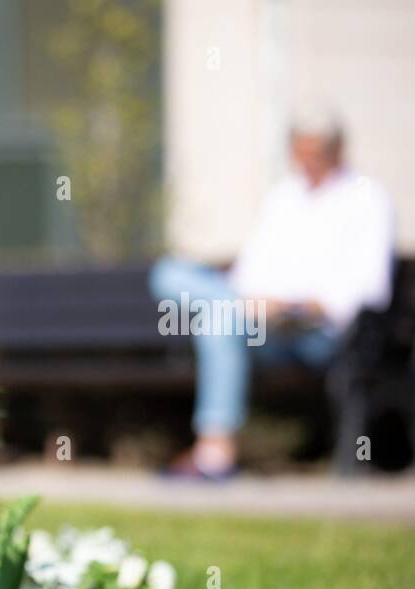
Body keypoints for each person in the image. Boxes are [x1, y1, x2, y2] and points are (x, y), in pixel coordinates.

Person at [151, 109, 395, 479]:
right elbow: (251, 272)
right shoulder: (285, 196)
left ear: (338, 149)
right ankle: (215, 454)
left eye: (316, 153)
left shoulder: (367, 198)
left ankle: (215, 454)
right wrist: (253, 302)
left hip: (318, 332)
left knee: (218, 318)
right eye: (300, 152)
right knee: (172, 275)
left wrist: (296, 305)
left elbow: (370, 286)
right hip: (258, 320)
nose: (306, 162)